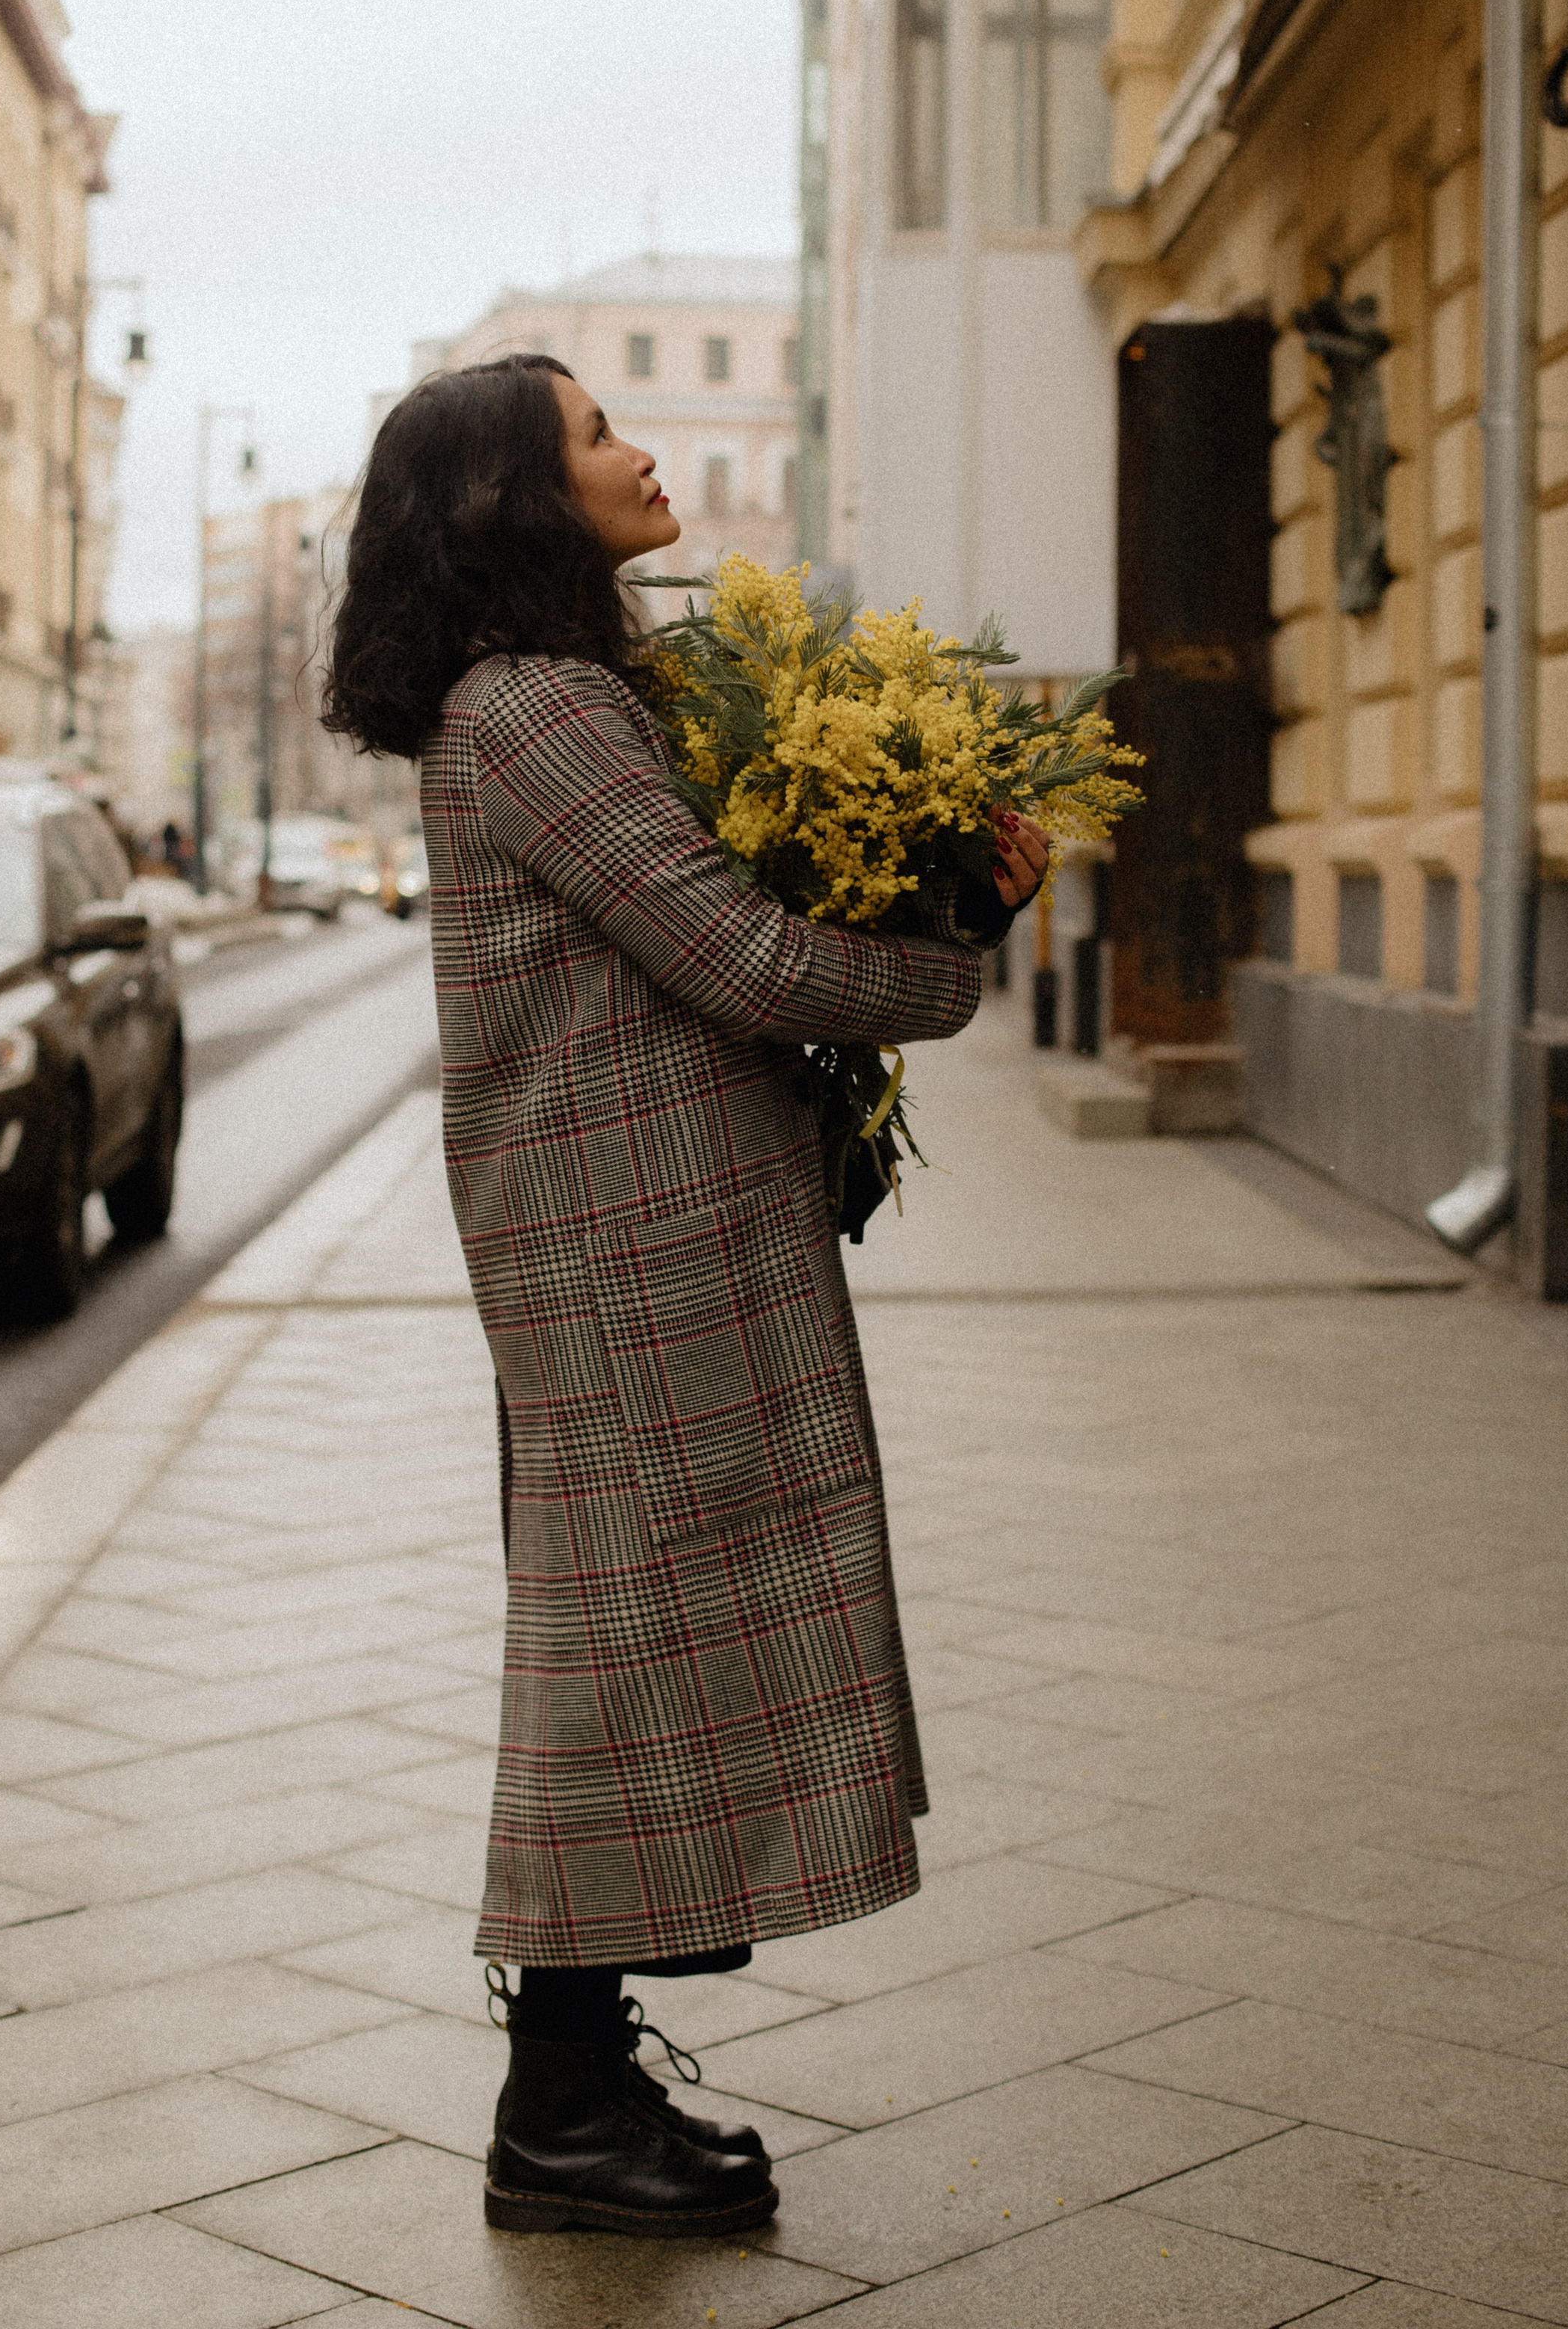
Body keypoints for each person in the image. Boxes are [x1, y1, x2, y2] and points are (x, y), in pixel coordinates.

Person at [322, 355, 1048, 2242]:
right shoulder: (537, 710)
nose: (638, 453)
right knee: (611, 1659)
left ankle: (578, 2081)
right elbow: (727, 953)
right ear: (512, 502)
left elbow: (696, 937)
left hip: (649, 1227)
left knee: (644, 1650)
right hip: (627, 1245)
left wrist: (938, 891)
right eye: (593, 435)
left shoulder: (567, 697)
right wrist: (940, 963)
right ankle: (555, 2107)